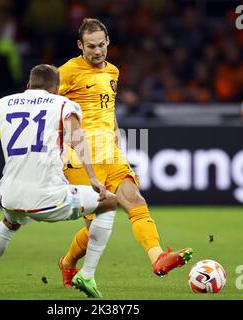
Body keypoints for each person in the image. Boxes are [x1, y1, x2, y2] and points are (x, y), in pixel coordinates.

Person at [0, 64, 117, 298]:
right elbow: (77, 139)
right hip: (49, 197)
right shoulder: (63, 104)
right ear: (56, 88)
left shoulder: (2, 104)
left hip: (9, 196)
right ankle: (88, 274)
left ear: (28, 85)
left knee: (9, 223)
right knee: (110, 202)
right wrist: (92, 177)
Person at [57, 18, 193, 288]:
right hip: (81, 159)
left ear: (108, 41)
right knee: (95, 228)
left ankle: (158, 258)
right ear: (80, 45)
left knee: (135, 199)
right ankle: (68, 262)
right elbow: (41, 101)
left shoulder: (113, 72)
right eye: (91, 47)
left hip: (111, 152)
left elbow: (108, 109)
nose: (97, 52)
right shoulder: (67, 72)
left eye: (101, 45)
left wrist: (117, 136)